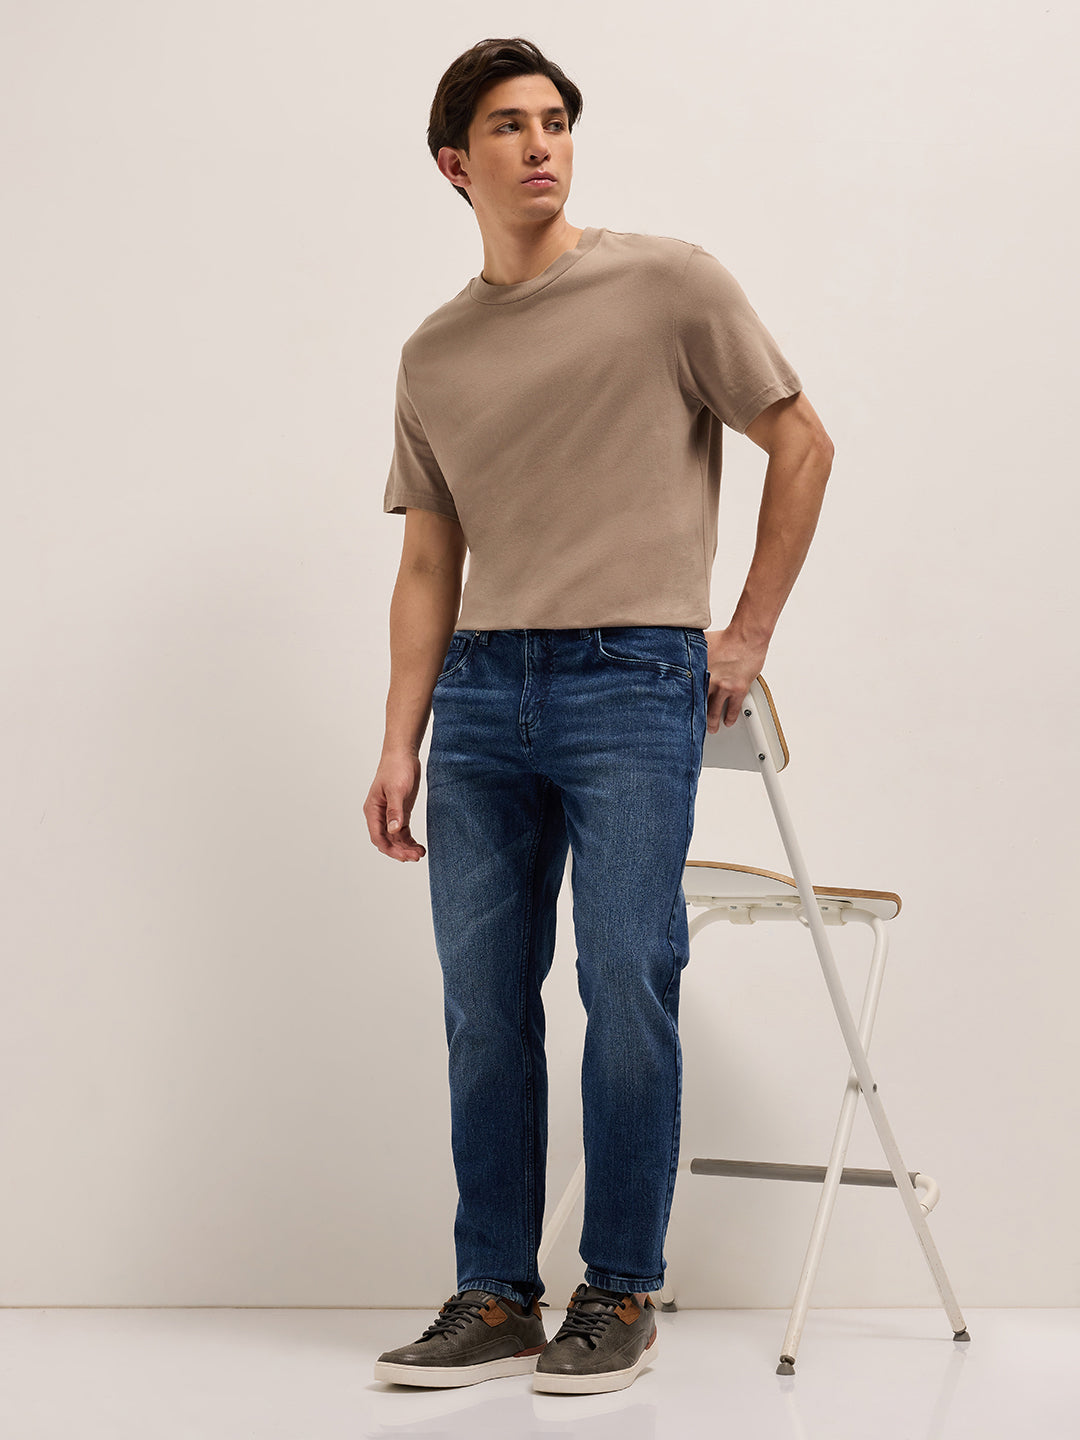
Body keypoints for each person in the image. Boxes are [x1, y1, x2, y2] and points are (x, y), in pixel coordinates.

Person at [365, 36, 834, 1396]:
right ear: (455, 164)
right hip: (479, 694)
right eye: (509, 127)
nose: (541, 145)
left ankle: (619, 1288)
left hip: (633, 678)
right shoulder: (434, 352)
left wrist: (744, 631)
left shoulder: (666, 284)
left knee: (627, 978)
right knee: (483, 1005)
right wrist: (398, 738)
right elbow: (427, 562)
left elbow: (802, 442)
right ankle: (495, 1296)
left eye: (556, 120)